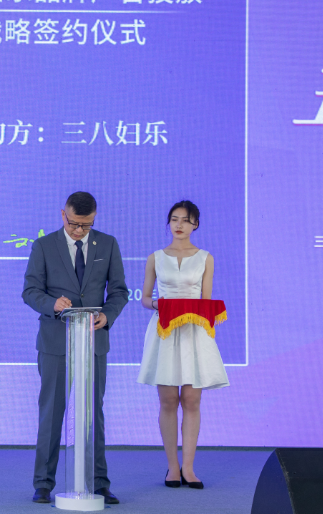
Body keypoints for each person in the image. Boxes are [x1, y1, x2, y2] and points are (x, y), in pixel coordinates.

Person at [22, 192, 129, 505]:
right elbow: (30, 291)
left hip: (93, 344)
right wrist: (52, 304)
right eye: (74, 224)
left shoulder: (107, 244)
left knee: (94, 414)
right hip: (56, 342)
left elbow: (119, 291)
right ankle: (43, 484)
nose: (80, 230)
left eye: (86, 225)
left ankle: (100, 484)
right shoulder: (43, 246)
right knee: (52, 413)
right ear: (62, 214)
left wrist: (107, 315)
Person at [137, 200, 229, 490]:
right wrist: (157, 304)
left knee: (191, 400)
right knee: (168, 401)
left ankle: (189, 468)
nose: (179, 225)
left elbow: (206, 300)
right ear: (169, 223)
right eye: (174, 219)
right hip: (164, 330)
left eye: (186, 220)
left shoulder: (205, 258)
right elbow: (145, 298)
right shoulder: (155, 257)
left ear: (195, 224)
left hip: (193, 331)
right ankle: (172, 467)